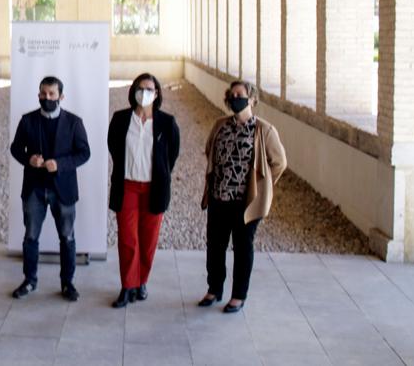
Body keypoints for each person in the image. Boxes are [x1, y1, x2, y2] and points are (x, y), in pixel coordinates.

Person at [199, 80, 286, 314]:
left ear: (252, 99)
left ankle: (238, 295)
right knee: (215, 246)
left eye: (241, 94)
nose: (235, 98)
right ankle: (214, 288)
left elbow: (279, 162)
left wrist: (263, 185)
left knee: (242, 247)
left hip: (245, 203)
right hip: (219, 197)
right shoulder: (220, 125)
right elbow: (210, 150)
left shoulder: (264, 130)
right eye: (232, 94)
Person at [9, 75, 91, 302]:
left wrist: (61, 164)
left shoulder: (74, 122)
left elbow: (84, 153)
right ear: (38, 95)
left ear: (61, 96)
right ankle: (29, 280)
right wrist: (29, 160)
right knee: (30, 237)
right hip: (34, 189)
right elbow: (15, 148)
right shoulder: (27, 120)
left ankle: (67, 283)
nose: (47, 98)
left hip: (63, 190)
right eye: (43, 94)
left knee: (67, 237)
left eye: (52, 94)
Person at [107, 73, 180, 308]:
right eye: (140, 88)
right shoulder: (120, 119)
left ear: (157, 93)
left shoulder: (167, 123)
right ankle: (127, 285)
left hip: (154, 189)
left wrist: (159, 173)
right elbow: (114, 147)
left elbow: (171, 155)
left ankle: (142, 282)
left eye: (149, 89)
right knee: (128, 240)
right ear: (133, 91)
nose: (144, 92)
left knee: (148, 241)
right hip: (127, 186)